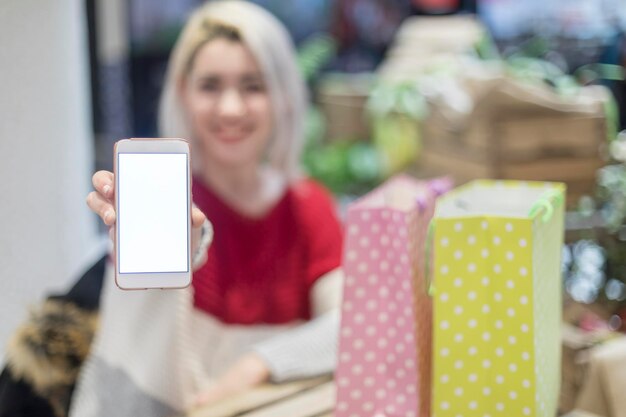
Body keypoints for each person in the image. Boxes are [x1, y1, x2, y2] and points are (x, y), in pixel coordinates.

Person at [73, 1, 344, 416]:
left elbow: (352, 325)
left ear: (283, 94)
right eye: (210, 85)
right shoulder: (159, 208)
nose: (231, 108)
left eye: (253, 85)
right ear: (183, 93)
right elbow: (133, 389)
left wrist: (259, 363)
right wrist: (177, 257)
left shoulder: (309, 208)